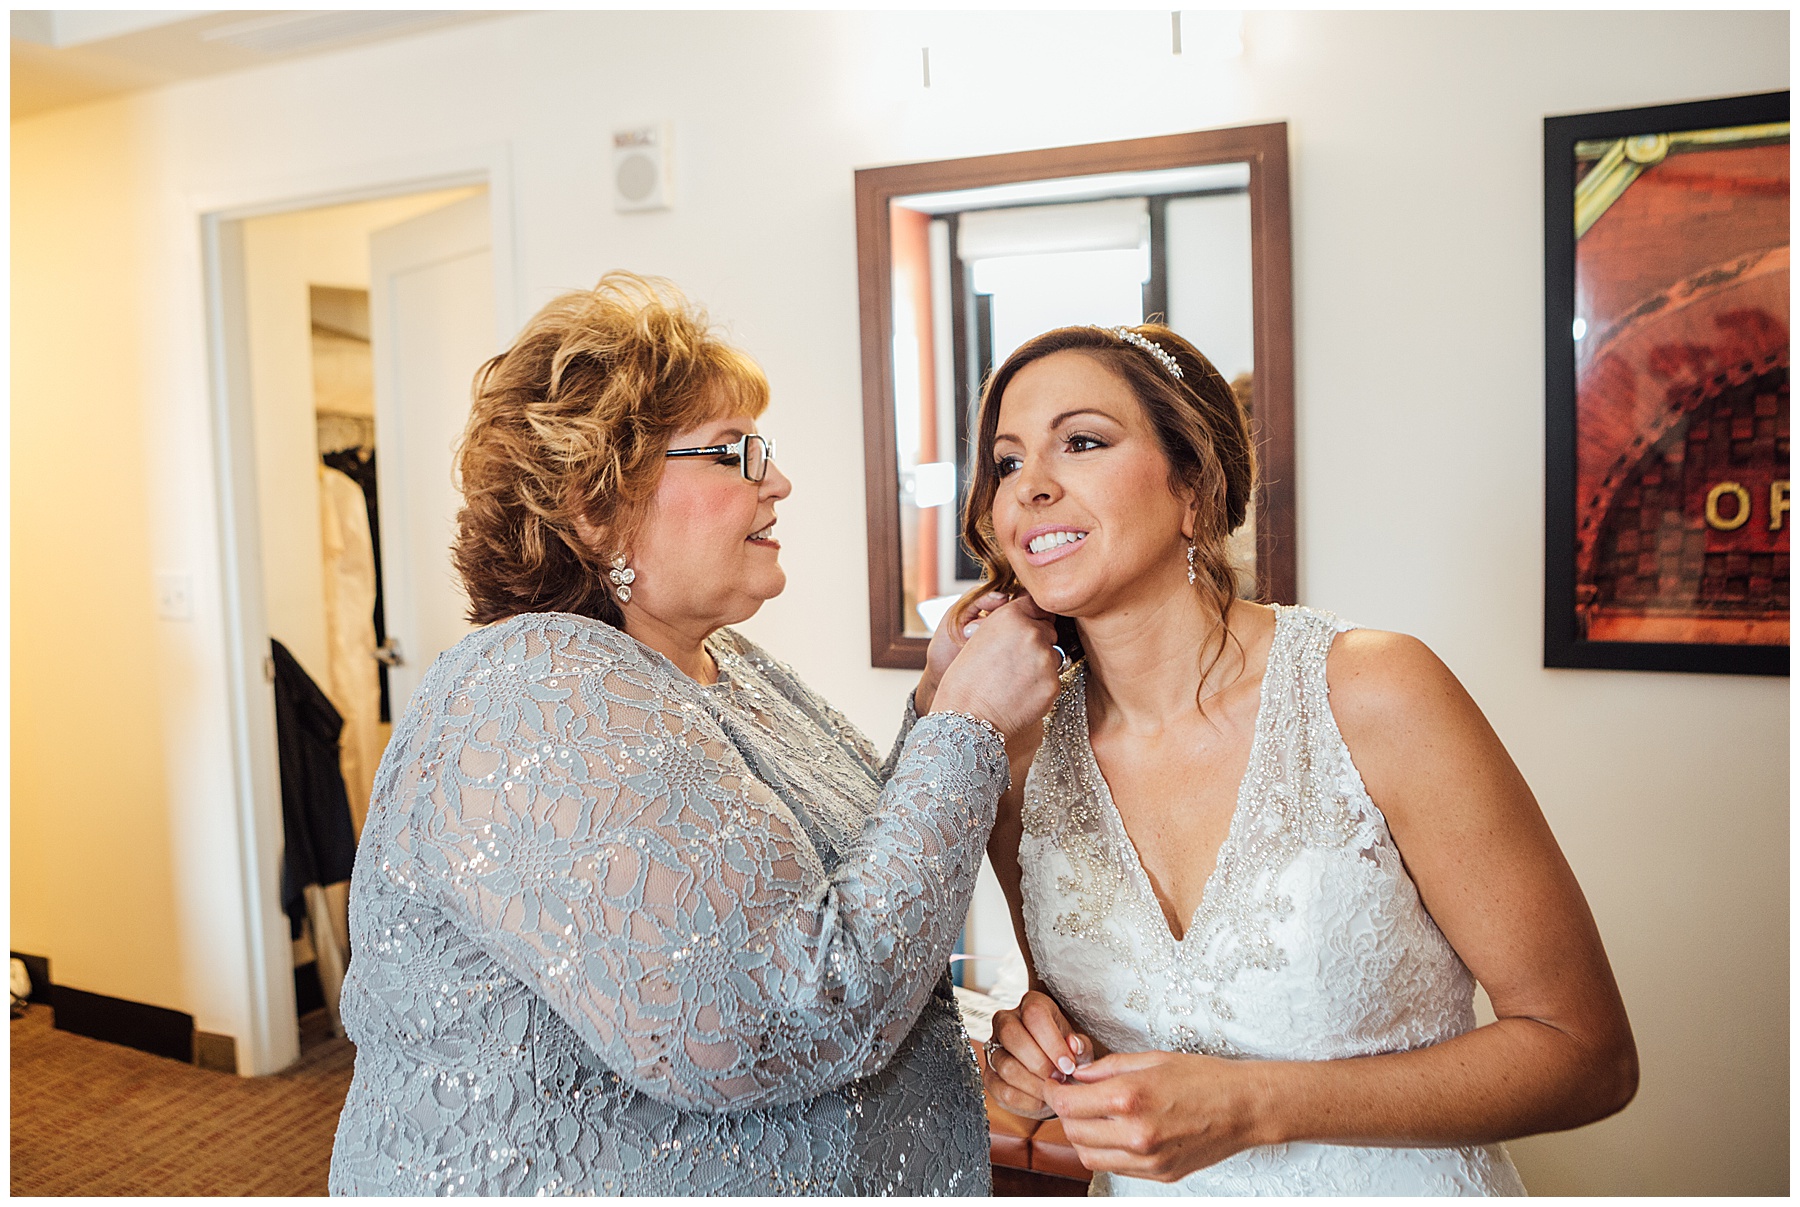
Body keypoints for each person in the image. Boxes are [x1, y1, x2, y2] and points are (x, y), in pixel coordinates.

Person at [327, 273, 1062, 1195]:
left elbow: (849, 873)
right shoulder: (532, 694)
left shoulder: (724, 664)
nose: (779, 480)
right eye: (734, 452)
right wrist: (967, 727)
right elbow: (776, 1015)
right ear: (595, 505)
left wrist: (936, 699)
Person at [963, 324, 1638, 1195]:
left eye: (1082, 442)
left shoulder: (1374, 693)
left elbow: (1587, 1054)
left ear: (1195, 489)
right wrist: (1043, 1059)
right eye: (1007, 463)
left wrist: (1255, 1104)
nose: (1032, 489)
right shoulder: (1022, 757)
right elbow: (1094, 1035)